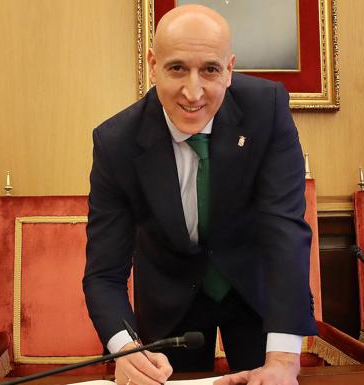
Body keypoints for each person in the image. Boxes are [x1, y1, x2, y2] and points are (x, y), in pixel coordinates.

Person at [84, 4, 317, 385]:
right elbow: (103, 274)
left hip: (256, 295)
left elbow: (285, 233)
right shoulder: (115, 143)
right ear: (153, 64)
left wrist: (283, 359)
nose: (193, 92)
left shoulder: (267, 109)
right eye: (177, 68)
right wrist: (125, 350)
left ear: (230, 68)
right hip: (170, 305)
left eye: (209, 69)